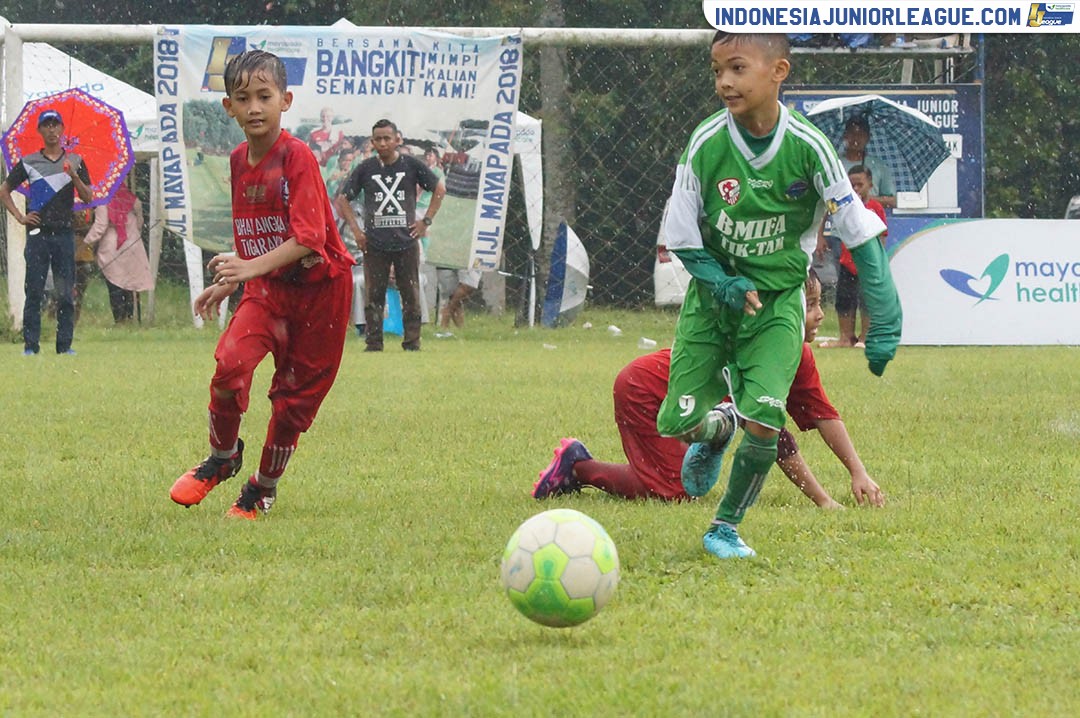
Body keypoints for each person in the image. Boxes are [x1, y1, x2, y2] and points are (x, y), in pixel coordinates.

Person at [655, 32, 901, 559]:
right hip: (711, 302)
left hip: (778, 305)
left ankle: (724, 528)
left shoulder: (809, 148)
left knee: (766, 422)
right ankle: (716, 428)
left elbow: (858, 228)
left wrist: (884, 313)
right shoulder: (705, 145)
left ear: (778, 72)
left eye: (737, 68)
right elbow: (680, 238)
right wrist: (723, 281)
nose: (724, 81)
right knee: (674, 421)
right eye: (717, 70)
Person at [168, 50, 355, 520]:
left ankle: (261, 488)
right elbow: (255, 229)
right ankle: (223, 457)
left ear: (285, 100)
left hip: (320, 296)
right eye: (243, 97)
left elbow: (309, 238)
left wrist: (249, 269)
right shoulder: (237, 160)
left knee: (291, 405)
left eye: (264, 96)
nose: (254, 107)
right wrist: (234, 279)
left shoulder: (297, 157)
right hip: (268, 289)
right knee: (229, 367)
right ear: (228, 107)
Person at [533, 271, 885, 509]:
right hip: (646, 389)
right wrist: (824, 501)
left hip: (678, 401)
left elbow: (824, 415)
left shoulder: (798, 353)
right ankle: (577, 466)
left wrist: (859, 472)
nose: (820, 314)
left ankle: (704, 435)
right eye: (809, 306)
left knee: (676, 485)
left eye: (819, 302)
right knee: (672, 492)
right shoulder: (757, 348)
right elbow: (774, 439)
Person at [334, 119, 446, 351]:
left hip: (406, 241)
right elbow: (343, 198)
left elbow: (439, 188)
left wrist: (425, 221)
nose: (383, 143)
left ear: (398, 140)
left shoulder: (411, 165)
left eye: (387, 138)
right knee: (374, 295)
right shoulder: (366, 168)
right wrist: (357, 230)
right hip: (375, 243)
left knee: (411, 294)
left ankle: (412, 343)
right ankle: (374, 343)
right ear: (372, 142)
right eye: (378, 139)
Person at [0, 108, 93, 355]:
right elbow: (4, 190)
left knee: (65, 292)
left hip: (64, 233)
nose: (51, 129)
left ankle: (64, 346)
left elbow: (87, 196)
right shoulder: (29, 162)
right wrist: (20, 217)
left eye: (55, 124)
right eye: (46, 125)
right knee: (34, 289)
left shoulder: (76, 161)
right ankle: (31, 345)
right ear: (40, 130)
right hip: (36, 233)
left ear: (62, 129)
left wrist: (73, 176)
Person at [821, 165, 889, 347]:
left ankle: (866, 337)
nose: (857, 189)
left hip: (867, 263)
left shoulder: (875, 207)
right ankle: (845, 337)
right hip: (846, 260)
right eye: (852, 185)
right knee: (844, 299)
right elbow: (826, 212)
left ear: (870, 185)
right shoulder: (844, 206)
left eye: (860, 184)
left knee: (867, 301)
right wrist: (821, 236)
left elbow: (882, 234)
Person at [83, 184, 153, 323]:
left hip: (112, 248)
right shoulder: (132, 199)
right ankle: (129, 317)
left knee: (115, 285)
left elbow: (100, 226)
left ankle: (119, 320)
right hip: (133, 246)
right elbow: (140, 222)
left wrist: (86, 243)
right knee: (129, 285)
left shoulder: (103, 200)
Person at [838, 116, 896, 210]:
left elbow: (892, 201)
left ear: (868, 137)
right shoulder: (836, 164)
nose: (856, 138)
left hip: (872, 218)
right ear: (845, 136)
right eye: (852, 134)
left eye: (861, 134)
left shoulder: (879, 166)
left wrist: (866, 198)